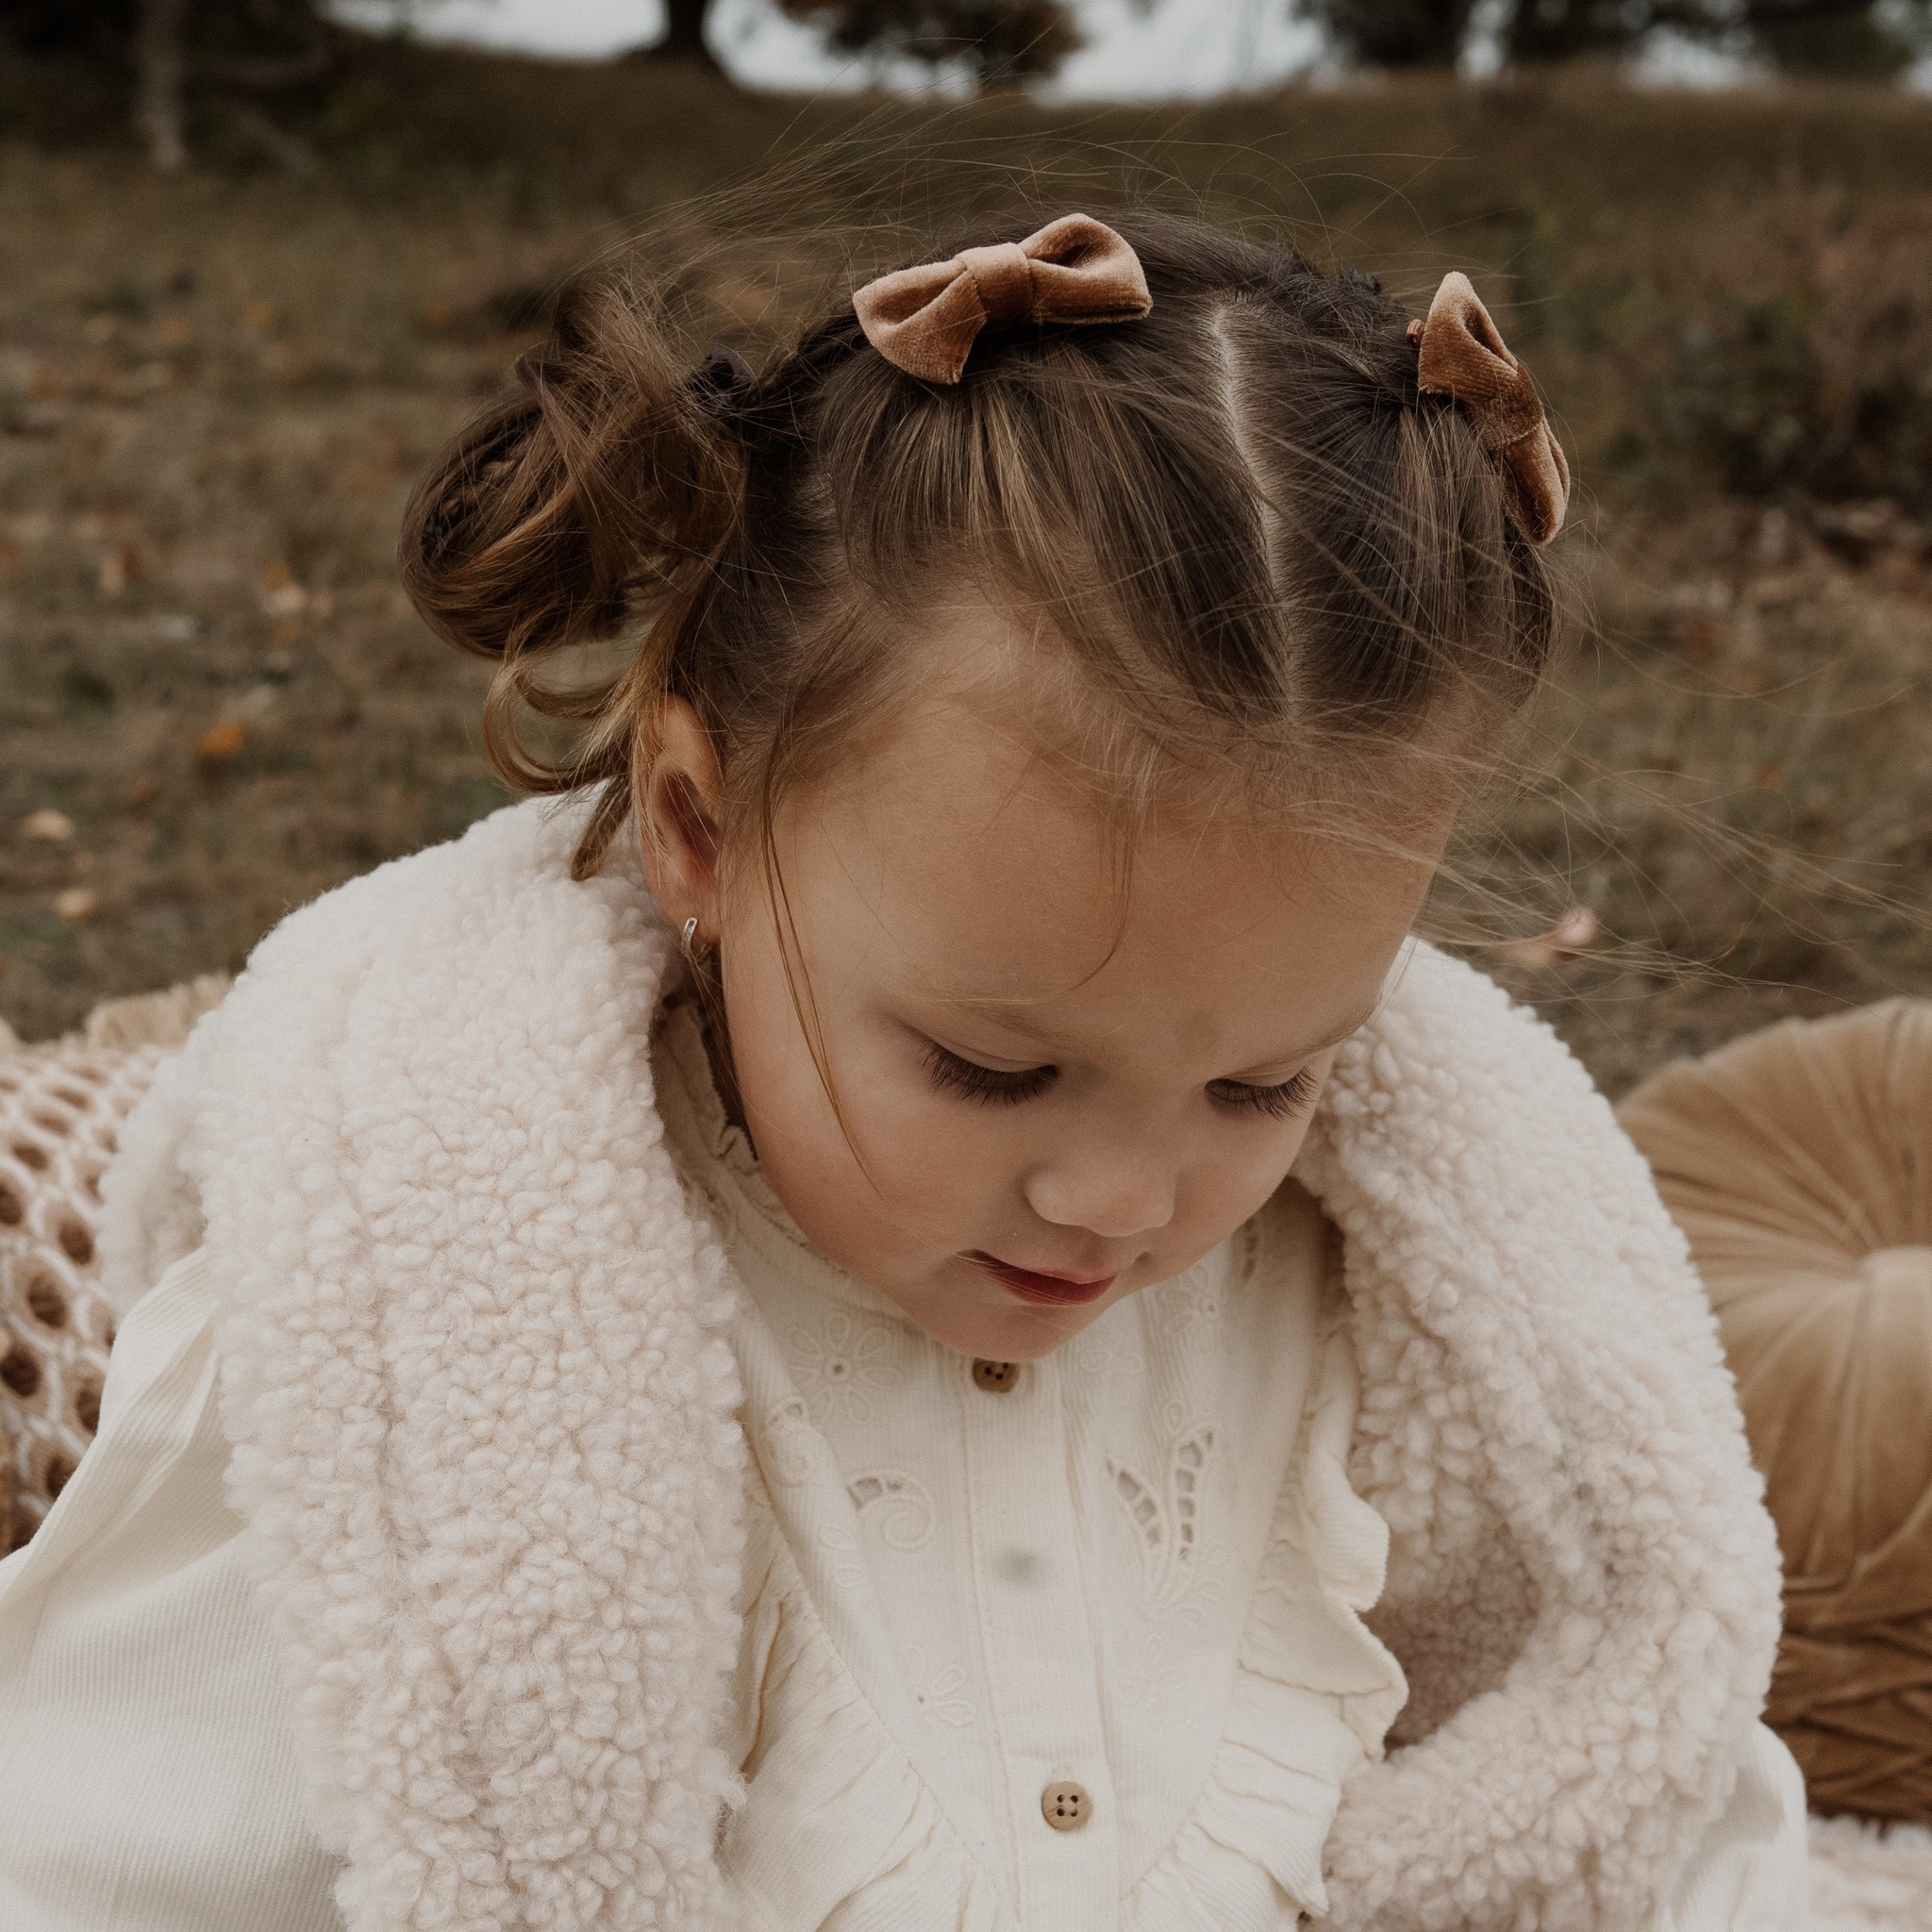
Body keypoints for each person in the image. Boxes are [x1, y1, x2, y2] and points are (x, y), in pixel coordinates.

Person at [0, 208, 1808, 1932]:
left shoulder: (1418, 1316)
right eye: (987, 1067)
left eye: (1264, 1085)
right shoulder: (417, 1346)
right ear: (700, 825)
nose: (1121, 1201)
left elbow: (1640, 1789)